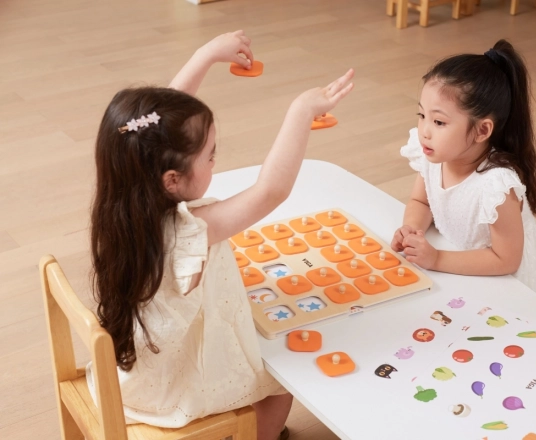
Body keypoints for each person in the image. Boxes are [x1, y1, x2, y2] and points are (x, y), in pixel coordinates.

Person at [88, 30, 354, 440]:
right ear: (172, 180)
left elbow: (157, 127)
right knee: (281, 389)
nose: (216, 159)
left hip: (129, 372)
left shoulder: (121, 204)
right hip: (173, 389)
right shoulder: (188, 231)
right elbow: (271, 190)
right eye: (211, 155)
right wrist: (300, 112)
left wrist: (206, 55)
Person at [391, 39, 536, 297]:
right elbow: (421, 201)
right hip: (460, 268)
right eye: (422, 116)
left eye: (439, 121)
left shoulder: (496, 187)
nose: (424, 131)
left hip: (503, 285)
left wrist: (436, 259)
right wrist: (412, 230)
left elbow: (505, 260)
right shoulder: (434, 156)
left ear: (482, 130)